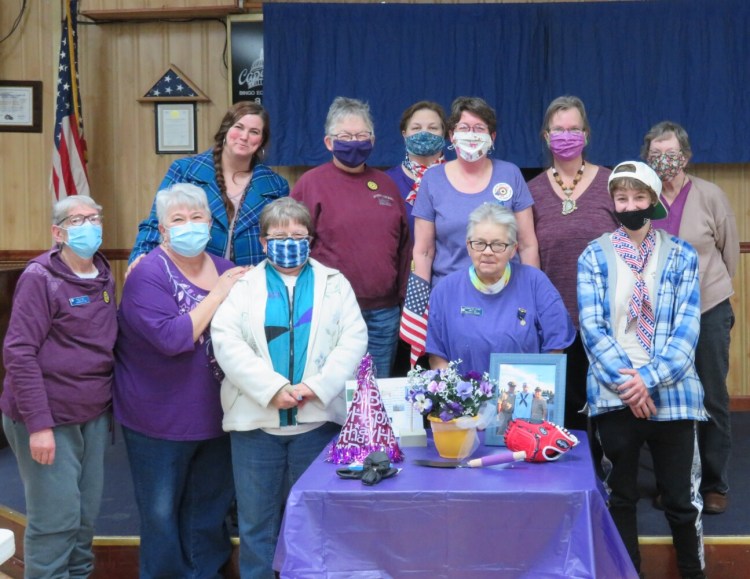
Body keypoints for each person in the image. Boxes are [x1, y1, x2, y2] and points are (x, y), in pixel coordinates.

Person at [211, 197, 368, 579]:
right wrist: (272, 389)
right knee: (255, 525)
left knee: (314, 522)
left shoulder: (335, 282)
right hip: (255, 425)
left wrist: (316, 386)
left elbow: (354, 338)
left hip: (316, 424)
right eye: (279, 235)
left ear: (310, 239)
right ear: (263, 242)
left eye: (298, 234)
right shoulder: (242, 285)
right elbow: (226, 341)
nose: (289, 241)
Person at [578, 161, 708, 579]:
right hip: (614, 393)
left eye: (638, 197)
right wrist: (628, 384)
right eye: (621, 197)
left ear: (652, 201)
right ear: (613, 203)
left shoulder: (682, 254)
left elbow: (688, 331)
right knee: (621, 498)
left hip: (672, 393)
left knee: (682, 501)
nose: (629, 204)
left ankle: (694, 573)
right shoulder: (593, 255)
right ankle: (626, 574)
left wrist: (647, 380)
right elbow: (593, 328)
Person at [114, 184, 247, 578]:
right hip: (158, 419)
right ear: (163, 229)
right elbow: (173, 338)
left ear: (210, 222)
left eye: (197, 217)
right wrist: (220, 293)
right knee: (161, 516)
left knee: (208, 511)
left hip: (217, 415)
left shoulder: (226, 269)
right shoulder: (148, 274)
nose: (189, 225)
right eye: (178, 219)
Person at [1, 195, 116, 578]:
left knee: (83, 521)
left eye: (95, 218)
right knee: (55, 522)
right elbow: (19, 353)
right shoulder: (40, 277)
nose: (89, 225)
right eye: (78, 219)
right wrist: (39, 425)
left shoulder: (102, 271)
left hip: (92, 414)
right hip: (47, 418)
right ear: (58, 232)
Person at [642, 121, 739, 515]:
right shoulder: (642, 197)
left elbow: (728, 252)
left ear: (686, 155)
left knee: (711, 398)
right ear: (645, 159)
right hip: (660, 318)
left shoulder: (710, 195)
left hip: (709, 309)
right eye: (655, 155)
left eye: (671, 154)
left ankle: (715, 483)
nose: (664, 161)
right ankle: (675, 483)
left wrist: (708, 290)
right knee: (666, 402)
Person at [292, 97, 410, 378]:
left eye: (361, 136)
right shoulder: (311, 183)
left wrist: (404, 300)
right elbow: (295, 243)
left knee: (375, 392)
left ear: (372, 140)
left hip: (384, 313)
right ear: (329, 142)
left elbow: (404, 247)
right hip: (331, 309)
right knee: (331, 390)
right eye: (345, 136)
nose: (354, 142)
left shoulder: (386, 183)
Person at [527, 95, 618, 431]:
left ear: (586, 134)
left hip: (606, 318)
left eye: (574, 129)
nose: (566, 135)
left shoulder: (612, 184)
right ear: (546, 136)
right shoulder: (530, 191)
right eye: (559, 129)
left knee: (606, 411)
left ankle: (606, 479)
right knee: (561, 411)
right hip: (553, 319)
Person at [129, 101, 289, 268]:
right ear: (225, 130)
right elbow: (156, 222)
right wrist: (141, 256)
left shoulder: (276, 185)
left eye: (254, 132)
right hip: (192, 276)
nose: (244, 136)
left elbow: (282, 237)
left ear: (262, 141)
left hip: (251, 280)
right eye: (239, 127)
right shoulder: (185, 171)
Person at [425, 203, 574, 375]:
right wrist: (460, 397)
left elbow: (555, 347)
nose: (488, 252)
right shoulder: (444, 291)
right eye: (479, 243)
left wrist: (535, 389)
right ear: (468, 246)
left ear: (513, 249)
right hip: (464, 399)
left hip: (522, 396)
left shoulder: (536, 283)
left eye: (497, 245)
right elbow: (436, 356)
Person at [412, 96, 539, 288]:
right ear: (452, 135)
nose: (471, 135)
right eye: (464, 128)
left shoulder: (510, 173)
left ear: (492, 137)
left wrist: (532, 294)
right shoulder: (433, 179)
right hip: (449, 293)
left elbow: (527, 245)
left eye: (479, 128)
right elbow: (423, 252)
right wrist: (420, 306)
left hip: (506, 291)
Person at [385, 100, 448, 238]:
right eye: (416, 128)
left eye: (432, 128)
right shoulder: (386, 182)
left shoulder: (459, 178)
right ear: (404, 134)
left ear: (444, 133)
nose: (424, 133)